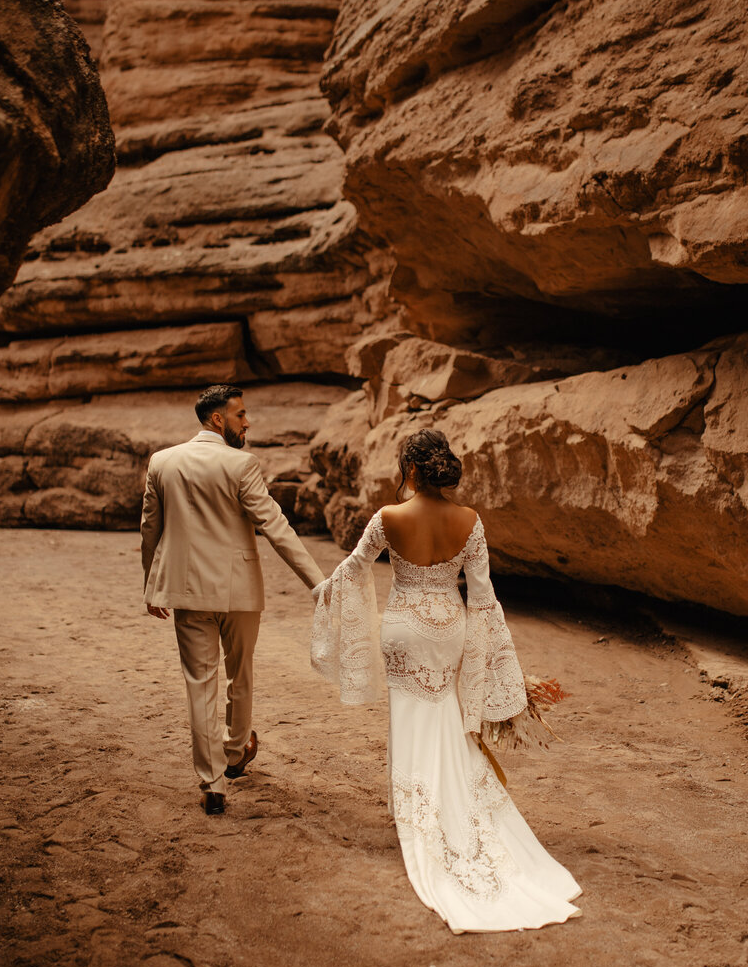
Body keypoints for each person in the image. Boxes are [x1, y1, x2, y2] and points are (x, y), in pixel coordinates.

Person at [311, 429, 581, 933]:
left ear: (410, 470)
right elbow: (482, 598)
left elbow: (352, 571)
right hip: (450, 630)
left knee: (411, 718)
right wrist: (498, 665)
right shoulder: (470, 521)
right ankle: (448, 806)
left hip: (403, 630)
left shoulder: (388, 517)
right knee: (448, 718)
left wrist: (322, 593)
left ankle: (418, 814)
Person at [141, 384, 325, 815]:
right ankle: (237, 750)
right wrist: (317, 584)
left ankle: (212, 783)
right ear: (218, 419)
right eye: (241, 415)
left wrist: (151, 584)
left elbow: (151, 528)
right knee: (241, 673)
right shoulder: (242, 463)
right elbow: (275, 526)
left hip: (185, 589)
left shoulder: (162, 462)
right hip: (238, 590)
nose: (248, 422)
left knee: (199, 685)